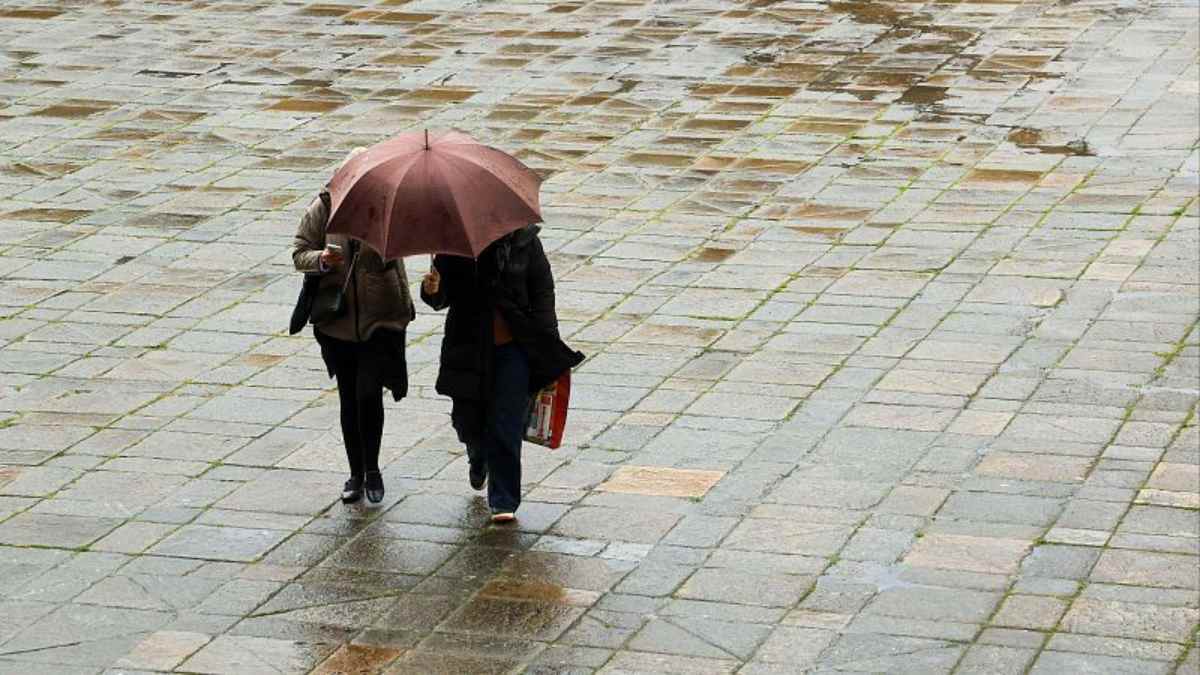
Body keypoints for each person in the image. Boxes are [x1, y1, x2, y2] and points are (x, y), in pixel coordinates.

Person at [421, 224, 583, 523]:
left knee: (506, 424)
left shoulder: (525, 242)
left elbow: (542, 292)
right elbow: (442, 296)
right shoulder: (455, 242)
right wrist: (432, 291)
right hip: (468, 346)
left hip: (514, 347)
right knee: (467, 421)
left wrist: (547, 344)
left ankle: (504, 500)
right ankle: (477, 455)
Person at [293, 149, 415, 505]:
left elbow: (399, 257)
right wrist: (321, 259)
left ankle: (373, 469)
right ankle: (355, 473)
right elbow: (299, 252)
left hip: (380, 319)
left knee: (368, 394)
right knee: (349, 397)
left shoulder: (387, 208)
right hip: (338, 322)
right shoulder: (324, 206)